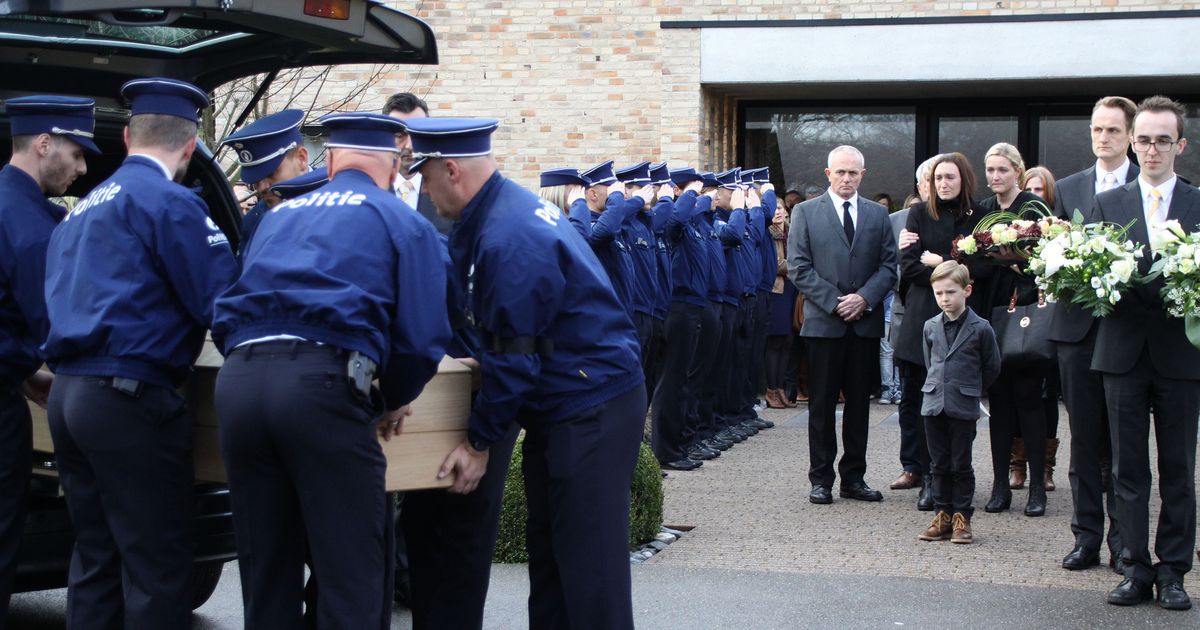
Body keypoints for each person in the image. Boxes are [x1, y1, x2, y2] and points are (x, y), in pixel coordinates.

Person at [211, 111, 451, 628]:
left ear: (331, 160)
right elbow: (423, 336)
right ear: (392, 166)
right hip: (324, 386)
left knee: (267, 571)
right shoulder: (400, 219)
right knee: (351, 576)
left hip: (240, 385)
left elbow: (224, 314)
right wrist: (391, 398)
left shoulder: (277, 217)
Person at [404, 116, 645, 629]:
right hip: (565, 402)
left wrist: (477, 444)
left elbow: (516, 359)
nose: (422, 190)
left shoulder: (507, 235)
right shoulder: (496, 212)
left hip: (590, 406)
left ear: (451, 171)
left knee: (589, 571)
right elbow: (499, 332)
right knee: (553, 560)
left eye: (423, 178)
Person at [42, 78, 237, 628]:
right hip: (128, 400)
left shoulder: (77, 213)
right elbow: (222, 303)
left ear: (127, 136)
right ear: (192, 145)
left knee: (96, 557)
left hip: (69, 396)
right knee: (155, 564)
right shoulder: (172, 205)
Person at [1094, 95, 1199, 611]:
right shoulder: (1107, 205)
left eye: (1162, 139)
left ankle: (1174, 571)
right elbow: (1087, 282)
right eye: (1144, 140)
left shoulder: (1199, 205)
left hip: (1181, 356)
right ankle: (1135, 567)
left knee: (1178, 466)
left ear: (1179, 144)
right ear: (1132, 144)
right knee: (1127, 468)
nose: (1152, 149)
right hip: (1122, 355)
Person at [0, 95, 97, 625]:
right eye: (76, 154)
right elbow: (55, 328)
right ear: (43, 144)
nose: (82, 168)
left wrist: (21, 371)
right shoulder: (31, 225)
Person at [1051, 96, 1139, 574]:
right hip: (1076, 333)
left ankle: (1124, 542)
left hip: (1127, 331)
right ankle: (1085, 537)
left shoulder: (1143, 187)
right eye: (1096, 129)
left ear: (1129, 135)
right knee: (1083, 440)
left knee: (1124, 445)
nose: (1102, 138)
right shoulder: (1068, 188)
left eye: (1111, 130)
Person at [788, 145, 897, 505]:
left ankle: (854, 478)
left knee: (859, 408)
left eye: (853, 173)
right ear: (828, 173)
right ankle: (821, 479)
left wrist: (864, 298)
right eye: (841, 172)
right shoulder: (805, 212)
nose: (847, 179)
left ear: (862, 175)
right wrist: (836, 302)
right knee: (820, 405)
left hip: (863, 325)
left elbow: (888, 266)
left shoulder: (878, 216)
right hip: (824, 324)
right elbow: (799, 267)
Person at [895, 153, 988, 511]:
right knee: (920, 403)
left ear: (963, 179)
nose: (943, 184)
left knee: (960, 404)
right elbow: (909, 267)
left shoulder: (980, 216)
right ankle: (927, 477)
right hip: (922, 320)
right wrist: (954, 268)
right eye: (937, 178)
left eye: (950, 177)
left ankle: (957, 476)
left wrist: (937, 261)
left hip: (965, 323)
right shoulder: (918, 214)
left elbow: (986, 266)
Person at [975, 142, 1051, 518]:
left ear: (1017, 171)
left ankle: (1037, 486)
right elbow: (972, 257)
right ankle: (1000, 485)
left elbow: (1049, 256)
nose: (995, 177)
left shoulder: (1033, 207)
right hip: (990, 310)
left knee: (1028, 400)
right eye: (990, 170)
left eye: (1002, 170)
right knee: (998, 401)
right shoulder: (984, 210)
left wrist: (1013, 261)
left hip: (1023, 309)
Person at [916, 261, 1000, 545]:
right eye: (939, 294)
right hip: (933, 403)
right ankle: (942, 515)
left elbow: (991, 367)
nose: (944, 299)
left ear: (967, 291)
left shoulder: (982, 328)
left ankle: (962, 517)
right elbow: (930, 362)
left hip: (963, 405)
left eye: (950, 292)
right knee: (938, 463)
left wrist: (970, 389)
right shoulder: (929, 326)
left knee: (960, 463)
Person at [651, 167, 713, 470]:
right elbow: (674, 220)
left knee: (682, 382)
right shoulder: (675, 222)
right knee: (672, 381)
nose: (701, 196)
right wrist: (689, 192)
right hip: (678, 306)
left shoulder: (692, 224)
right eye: (693, 191)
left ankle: (677, 445)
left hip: (692, 306)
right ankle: (666, 450)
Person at [221, 109, 310, 255]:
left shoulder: (340, 199)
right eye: (255, 180)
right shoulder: (253, 223)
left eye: (270, 174)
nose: (262, 187)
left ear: (301, 159)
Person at [569, 160, 642, 321]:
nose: (620, 195)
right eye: (612, 191)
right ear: (593, 194)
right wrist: (615, 198)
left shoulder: (614, 221)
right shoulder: (591, 225)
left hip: (624, 314)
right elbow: (603, 232)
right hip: (606, 319)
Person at [383, 91, 453, 235]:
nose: (409, 145)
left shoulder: (451, 191)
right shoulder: (369, 189)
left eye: (417, 135)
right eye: (399, 135)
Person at [764, 197, 796, 408]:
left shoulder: (792, 231)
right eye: (773, 208)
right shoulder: (767, 232)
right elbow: (774, 264)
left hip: (792, 290)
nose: (778, 212)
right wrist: (796, 265)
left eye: (781, 207)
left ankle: (781, 388)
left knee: (787, 341)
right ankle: (771, 388)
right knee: (774, 341)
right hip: (776, 290)